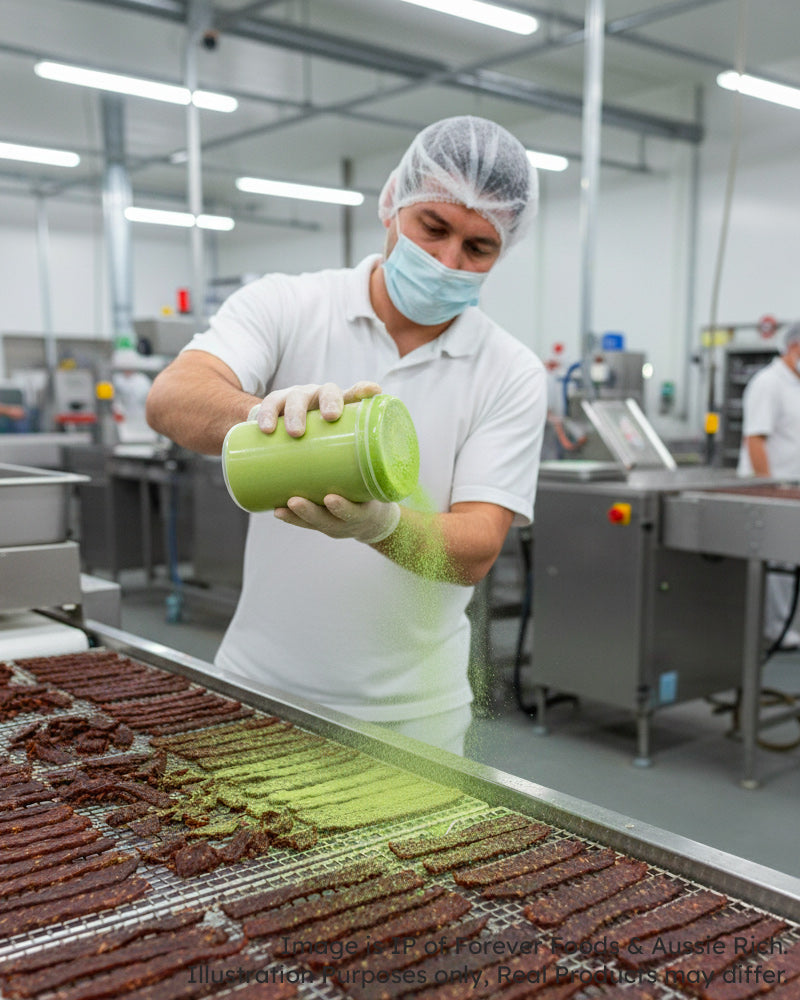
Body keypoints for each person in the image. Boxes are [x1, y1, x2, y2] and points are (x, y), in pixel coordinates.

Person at [146, 115, 547, 753]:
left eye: (478, 248)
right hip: (256, 691)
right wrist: (267, 415)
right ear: (393, 204)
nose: (448, 260)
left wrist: (381, 526)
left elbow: (475, 548)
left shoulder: (509, 371)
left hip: (415, 720)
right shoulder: (288, 305)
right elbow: (172, 397)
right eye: (434, 228)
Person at [738, 321, 800, 649]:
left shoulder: (795, 385)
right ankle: (773, 629)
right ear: (794, 347)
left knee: (787, 560)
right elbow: (755, 440)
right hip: (771, 489)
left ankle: (780, 624)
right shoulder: (768, 383)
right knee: (774, 563)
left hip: (791, 489)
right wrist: (770, 487)